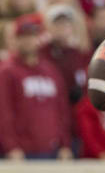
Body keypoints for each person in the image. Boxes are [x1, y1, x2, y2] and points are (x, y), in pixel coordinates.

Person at [0, 13, 73, 160]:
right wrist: (11, 146)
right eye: (23, 36)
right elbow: (4, 112)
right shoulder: (7, 71)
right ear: (16, 39)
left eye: (32, 36)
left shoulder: (51, 71)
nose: (28, 41)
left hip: (53, 150)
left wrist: (65, 144)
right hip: (22, 153)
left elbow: (62, 110)